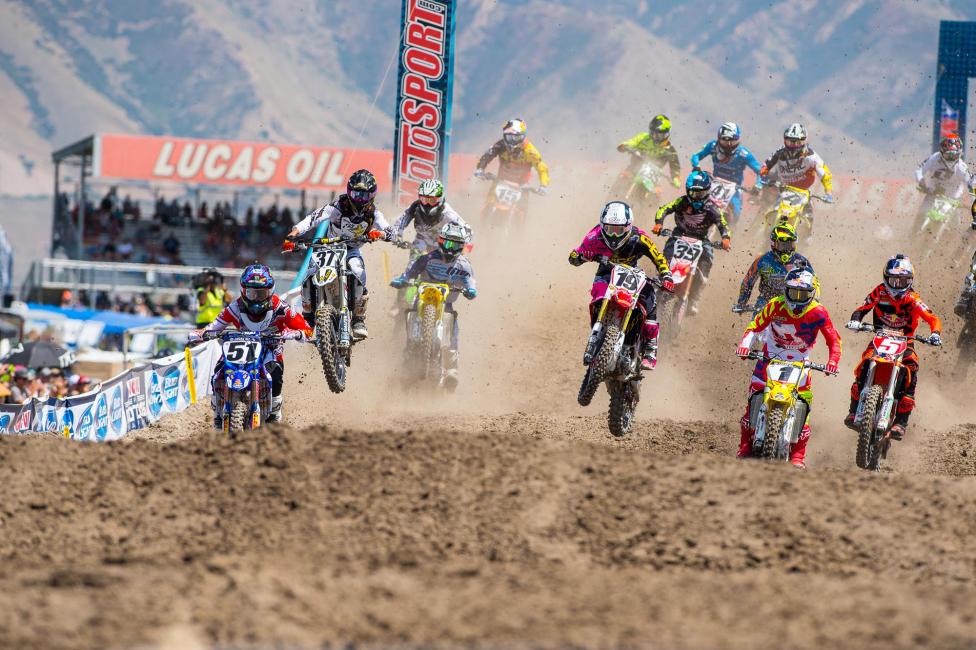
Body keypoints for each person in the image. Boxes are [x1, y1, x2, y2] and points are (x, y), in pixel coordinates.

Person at [735, 268, 841, 468]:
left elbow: (834, 340)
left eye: (803, 294)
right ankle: (744, 447)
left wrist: (833, 361)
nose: (797, 299)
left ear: (811, 294)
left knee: (804, 405)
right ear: (786, 290)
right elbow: (754, 327)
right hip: (769, 358)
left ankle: (798, 456)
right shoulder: (774, 305)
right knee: (753, 400)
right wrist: (744, 346)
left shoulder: (819, 312)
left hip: (800, 361)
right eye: (793, 293)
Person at [192, 264, 311, 426]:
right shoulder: (235, 307)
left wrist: (297, 333)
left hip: (270, 347)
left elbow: (306, 328)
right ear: (243, 291)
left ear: (270, 291)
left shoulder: (280, 307)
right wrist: (201, 334)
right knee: (219, 369)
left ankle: (275, 409)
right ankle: (218, 409)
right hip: (242, 348)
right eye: (251, 292)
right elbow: (214, 326)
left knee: (275, 370)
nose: (256, 298)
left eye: (261, 293)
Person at [287, 169, 396, 340]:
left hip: (351, 250)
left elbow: (392, 232)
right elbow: (313, 218)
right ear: (348, 191)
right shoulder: (337, 207)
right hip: (329, 247)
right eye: (356, 194)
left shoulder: (374, 213)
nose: (359, 199)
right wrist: (294, 232)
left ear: (372, 196)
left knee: (358, 271)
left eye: (364, 195)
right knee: (310, 273)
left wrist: (380, 234)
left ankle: (359, 318)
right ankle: (308, 316)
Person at [843, 255, 942, 439]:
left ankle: (901, 422)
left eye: (902, 281)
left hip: (905, 341)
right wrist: (855, 321)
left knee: (911, 368)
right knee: (864, 364)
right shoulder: (879, 292)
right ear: (885, 278)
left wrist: (935, 333)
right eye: (893, 280)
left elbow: (932, 317)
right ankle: (853, 410)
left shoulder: (913, 298)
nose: (897, 285)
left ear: (910, 280)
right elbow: (862, 308)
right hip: (880, 338)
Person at [569, 201, 674, 370]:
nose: (614, 235)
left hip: (632, 274)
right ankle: (598, 334)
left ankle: (650, 349)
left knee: (650, 301)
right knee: (597, 297)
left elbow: (658, 257)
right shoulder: (594, 236)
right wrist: (581, 256)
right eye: (610, 229)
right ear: (603, 226)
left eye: (619, 230)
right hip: (606, 273)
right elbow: (574, 257)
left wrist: (666, 275)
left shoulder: (640, 237)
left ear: (628, 226)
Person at [390, 223, 477, 389]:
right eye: (448, 243)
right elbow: (411, 271)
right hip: (422, 300)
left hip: (446, 303)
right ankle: (406, 363)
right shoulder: (428, 258)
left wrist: (471, 289)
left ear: (462, 246)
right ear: (440, 240)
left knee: (452, 324)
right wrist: (403, 279)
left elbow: (470, 280)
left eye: (456, 244)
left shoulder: (464, 264)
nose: (451, 248)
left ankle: (452, 371)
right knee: (411, 317)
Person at [652, 170, 730, 316]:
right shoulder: (682, 202)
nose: (696, 197)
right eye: (693, 193)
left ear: (707, 192)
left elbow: (722, 223)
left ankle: (694, 298)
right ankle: (659, 281)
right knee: (665, 258)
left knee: (708, 260)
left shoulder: (712, 208)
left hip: (701, 239)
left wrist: (725, 238)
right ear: (688, 191)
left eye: (700, 194)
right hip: (678, 235)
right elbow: (664, 209)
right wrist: (658, 223)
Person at [391, 179, 472, 312]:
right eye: (424, 199)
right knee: (412, 266)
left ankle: (446, 306)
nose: (427, 203)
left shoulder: (449, 214)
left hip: (443, 248)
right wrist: (396, 235)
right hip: (421, 242)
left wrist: (464, 247)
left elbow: (468, 231)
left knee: (446, 275)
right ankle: (399, 303)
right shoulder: (415, 207)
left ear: (440, 199)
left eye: (432, 200)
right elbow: (402, 219)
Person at [690, 122, 763, 225]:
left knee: (735, 214)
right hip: (714, 183)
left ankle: (729, 236)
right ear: (719, 139)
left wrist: (758, 185)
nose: (729, 146)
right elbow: (696, 155)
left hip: (734, 188)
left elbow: (760, 172)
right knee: (696, 201)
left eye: (733, 142)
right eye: (725, 142)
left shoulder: (743, 154)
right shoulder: (712, 146)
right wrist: (696, 166)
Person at [735, 223, 815, 314]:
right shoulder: (762, 260)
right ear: (773, 244)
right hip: (766, 301)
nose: (786, 249)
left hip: (792, 303)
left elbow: (814, 283)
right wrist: (742, 302)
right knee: (754, 326)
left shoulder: (802, 261)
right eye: (782, 245)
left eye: (790, 245)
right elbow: (748, 282)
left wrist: (814, 300)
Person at [474, 118, 550, 213]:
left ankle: (518, 227)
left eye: (516, 138)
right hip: (500, 181)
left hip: (522, 186)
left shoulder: (531, 151)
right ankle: (482, 224)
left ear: (523, 136)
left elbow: (542, 168)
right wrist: (480, 169)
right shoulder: (500, 145)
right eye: (509, 137)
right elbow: (488, 155)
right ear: (504, 136)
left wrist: (543, 185)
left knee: (521, 210)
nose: (512, 141)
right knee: (489, 204)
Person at [759, 123, 835, 215]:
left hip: (804, 192)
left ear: (804, 141)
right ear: (785, 140)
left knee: (808, 217)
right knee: (771, 212)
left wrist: (829, 193)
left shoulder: (811, 156)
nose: (794, 146)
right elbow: (766, 166)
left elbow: (825, 175)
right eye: (790, 142)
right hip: (783, 189)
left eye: (798, 142)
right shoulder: (780, 152)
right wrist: (763, 179)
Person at [914, 133, 973, 223]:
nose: (950, 158)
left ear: (960, 154)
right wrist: (921, 181)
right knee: (921, 214)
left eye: (954, 156)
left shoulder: (962, 167)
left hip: (952, 199)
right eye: (948, 155)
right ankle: (913, 234)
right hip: (933, 193)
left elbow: (972, 183)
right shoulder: (934, 158)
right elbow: (919, 170)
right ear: (941, 152)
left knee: (955, 226)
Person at [615, 114, 682, 191]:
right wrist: (624, 145)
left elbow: (675, 167)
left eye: (658, 135)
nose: (654, 137)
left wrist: (675, 178)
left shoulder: (670, 151)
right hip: (634, 168)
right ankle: (610, 200)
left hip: (653, 176)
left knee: (657, 192)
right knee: (623, 176)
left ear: (666, 134)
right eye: (653, 133)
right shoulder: (643, 137)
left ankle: (651, 202)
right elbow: (631, 142)